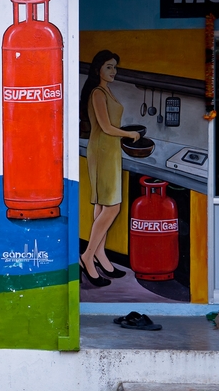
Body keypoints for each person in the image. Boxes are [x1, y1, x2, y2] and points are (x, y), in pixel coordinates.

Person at [79, 50, 141, 287]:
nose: (113, 71)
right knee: (112, 207)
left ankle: (100, 257)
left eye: (115, 67)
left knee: (102, 205)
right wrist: (130, 134)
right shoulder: (97, 93)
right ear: (98, 70)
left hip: (110, 151)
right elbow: (106, 126)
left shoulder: (106, 91)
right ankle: (87, 256)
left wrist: (123, 134)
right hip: (103, 151)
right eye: (108, 67)